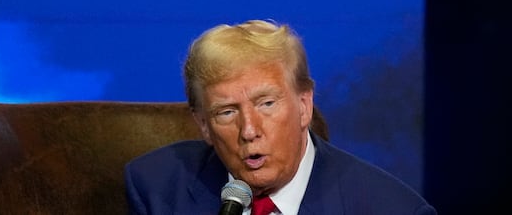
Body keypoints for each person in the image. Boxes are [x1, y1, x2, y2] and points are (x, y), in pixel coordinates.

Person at [125, 20, 436, 215]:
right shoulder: (157, 187)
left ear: (304, 105)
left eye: (267, 104)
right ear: (204, 125)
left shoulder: (391, 208)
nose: (249, 130)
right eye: (227, 112)